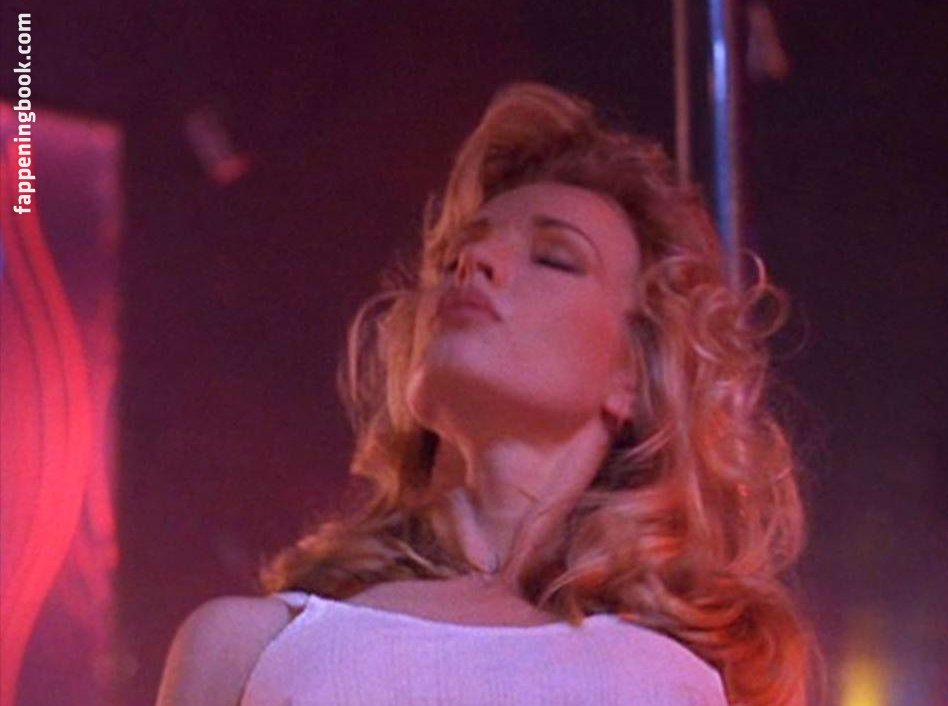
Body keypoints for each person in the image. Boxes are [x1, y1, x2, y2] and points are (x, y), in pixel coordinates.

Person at [155, 82, 815, 706]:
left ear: (635, 377)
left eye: (554, 257)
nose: (474, 265)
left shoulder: (681, 680)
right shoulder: (246, 647)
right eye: (452, 260)